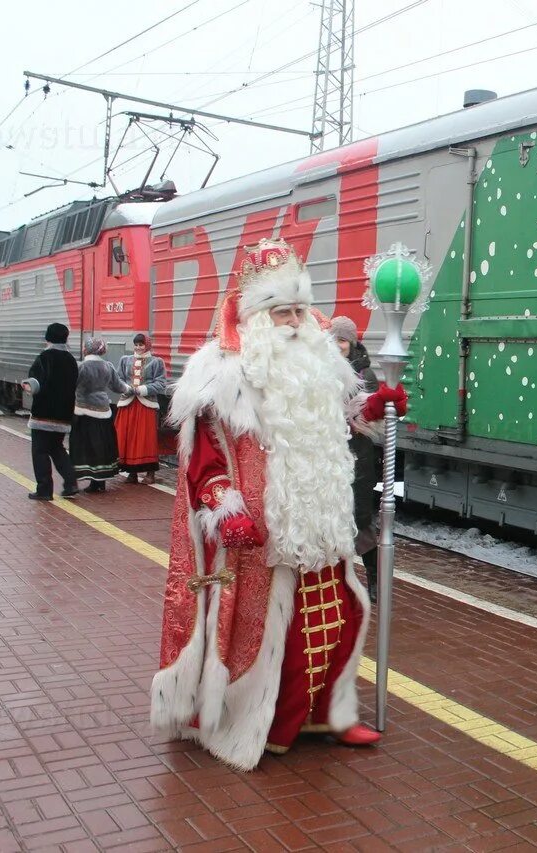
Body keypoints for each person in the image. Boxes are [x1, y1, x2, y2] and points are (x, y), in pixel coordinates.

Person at [150, 238, 407, 771]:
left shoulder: (320, 364)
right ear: (255, 316)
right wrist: (227, 506)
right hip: (262, 532)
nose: (294, 320)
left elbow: (342, 417)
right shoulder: (221, 372)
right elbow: (202, 458)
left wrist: (376, 406)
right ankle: (262, 720)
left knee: (334, 619)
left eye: (298, 308)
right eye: (281, 310)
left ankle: (326, 715)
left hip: (322, 523)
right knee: (270, 634)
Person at [329, 315, 385, 601]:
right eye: (334, 339)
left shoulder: (365, 374)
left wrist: (354, 419)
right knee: (331, 518)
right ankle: (340, 581)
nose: (337, 345)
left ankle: (374, 579)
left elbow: (371, 419)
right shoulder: (321, 369)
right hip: (328, 453)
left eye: (342, 340)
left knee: (360, 517)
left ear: (351, 343)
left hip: (357, 456)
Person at [21, 323, 80, 501]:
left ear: (47, 338)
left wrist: (27, 385)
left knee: (40, 451)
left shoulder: (45, 357)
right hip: (63, 414)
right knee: (57, 449)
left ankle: (44, 489)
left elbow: (36, 381)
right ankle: (71, 482)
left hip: (43, 413)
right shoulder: (70, 359)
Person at [71, 337, 132, 493]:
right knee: (102, 446)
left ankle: (91, 479)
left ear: (86, 349)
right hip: (104, 411)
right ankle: (101, 481)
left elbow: (72, 385)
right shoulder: (108, 366)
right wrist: (130, 389)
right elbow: (119, 387)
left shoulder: (81, 367)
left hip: (84, 411)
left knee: (87, 447)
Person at [115, 333, 166, 484]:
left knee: (146, 439)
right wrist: (126, 388)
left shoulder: (157, 362)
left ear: (147, 345)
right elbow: (118, 379)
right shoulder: (125, 360)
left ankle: (150, 473)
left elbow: (161, 383)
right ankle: (132, 473)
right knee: (128, 437)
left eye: (141, 345)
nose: (138, 348)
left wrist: (143, 389)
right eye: (136, 345)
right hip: (128, 404)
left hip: (146, 405)